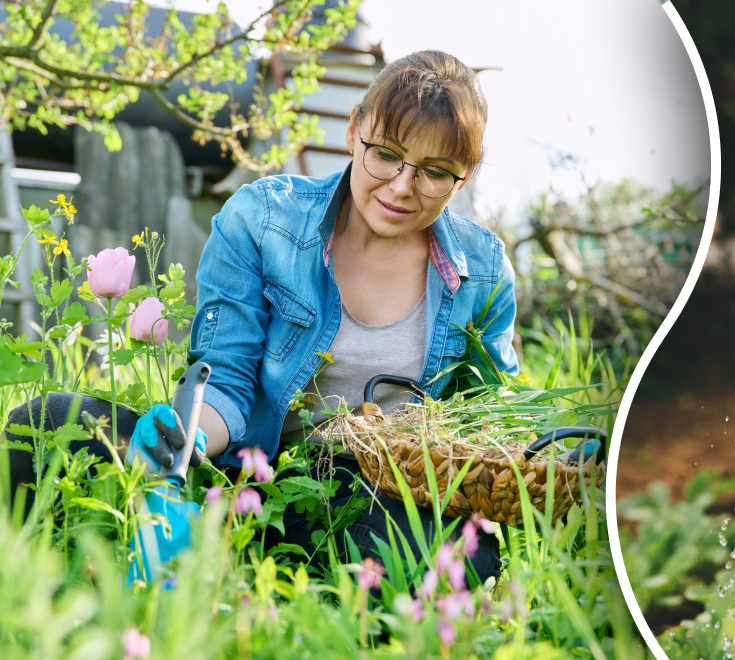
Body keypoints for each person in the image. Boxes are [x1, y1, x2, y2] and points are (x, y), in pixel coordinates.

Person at [7, 50, 517, 584]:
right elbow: (225, 376)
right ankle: (219, 537)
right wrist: (183, 436)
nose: (400, 186)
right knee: (42, 430)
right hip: (241, 473)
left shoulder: (482, 272)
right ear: (354, 130)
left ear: (464, 178)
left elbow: (491, 418)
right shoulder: (263, 221)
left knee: (464, 554)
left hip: (372, 498)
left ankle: (243, 561)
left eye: (434, 172)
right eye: (386, 154)